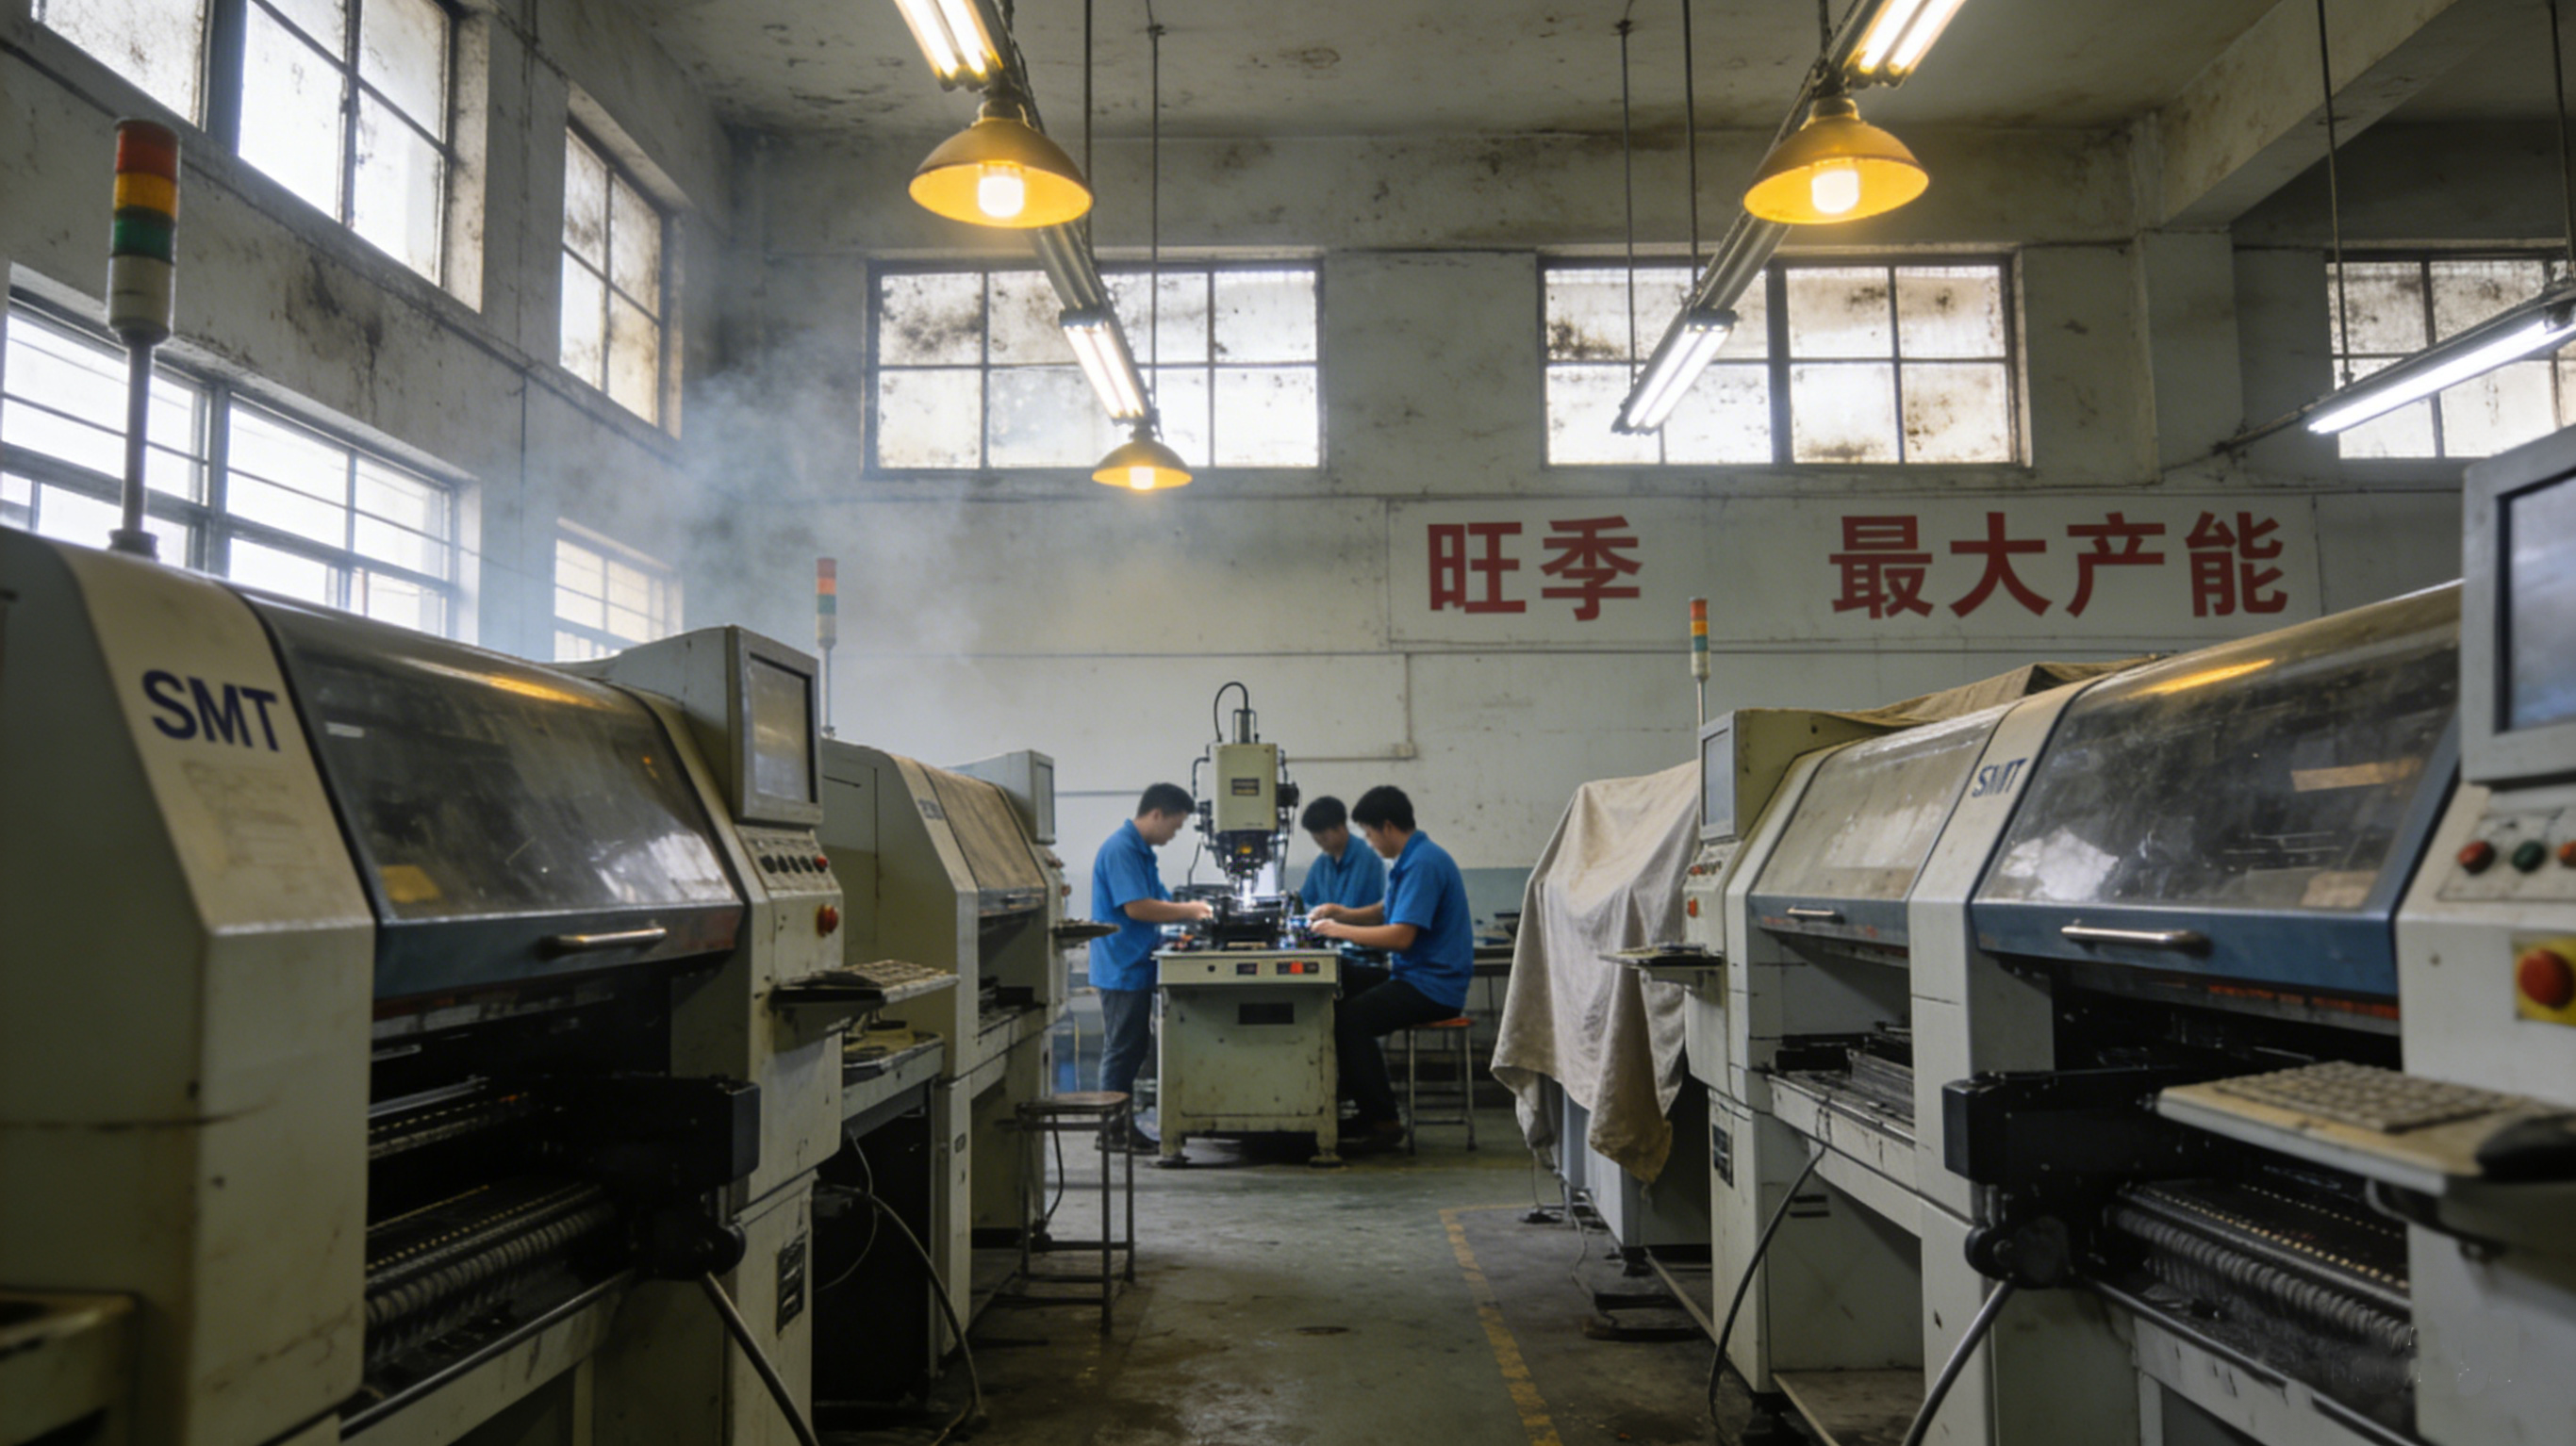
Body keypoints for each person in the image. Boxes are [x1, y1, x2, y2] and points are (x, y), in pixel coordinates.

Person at [1308, 785, 1473, 1153]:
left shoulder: (1424, 863)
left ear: (1386, 826)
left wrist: (1338, 930)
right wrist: (1342, 912)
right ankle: (1342, 1099)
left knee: (1351, 1020)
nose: (1368, 842)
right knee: (1336, 983)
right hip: (1414, 976)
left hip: (1432, 987)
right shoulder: (1411, 859)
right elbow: (1388, 910)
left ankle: (1382, 1119)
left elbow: (1401, 936)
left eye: (1368, 833)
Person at [1089, 782, 1214, 1151]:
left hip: (1135, 962)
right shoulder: (1121, 849)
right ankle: (1111, 1131)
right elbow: (1138, 908)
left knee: (1133, 1046)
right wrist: (1192, 911)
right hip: (1121, 967)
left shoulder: (1142, 852)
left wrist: (1191, 908)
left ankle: (1118, 1126)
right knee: (1123, 1049)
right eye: (1174, 827)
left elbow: (1160, 900)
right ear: (1156, 814)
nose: (1174, 835)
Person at [1296, 795, 1386, 913]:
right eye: (1317, 841)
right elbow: (1304, 901)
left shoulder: (1368, 859)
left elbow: (1371, 913)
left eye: (1324, 839)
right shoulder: (1322, 863)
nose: (1321, 845)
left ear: (1340, 828)